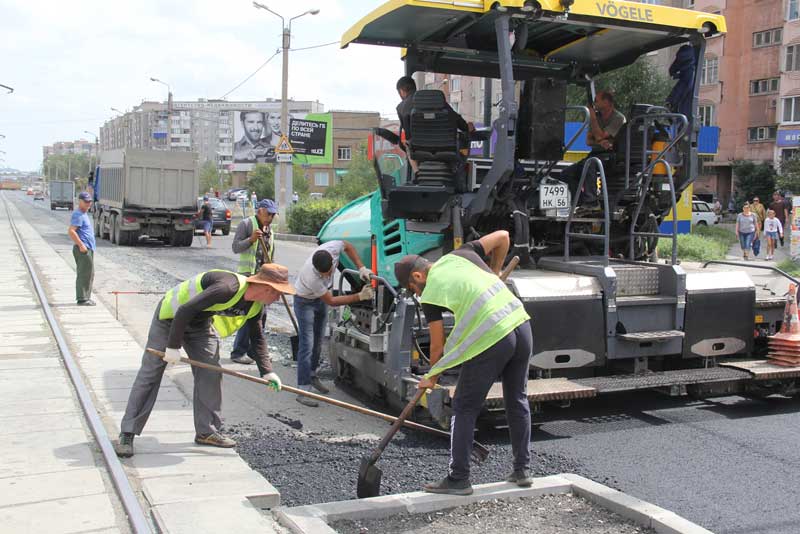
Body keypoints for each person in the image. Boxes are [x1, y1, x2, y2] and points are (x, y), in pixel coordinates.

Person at [393, 230, 532, 495]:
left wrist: (431, 377)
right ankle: (522, 469)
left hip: (493, 334)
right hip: (520, 322)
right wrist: (494, 272)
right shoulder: (463, 253)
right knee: (517, 398)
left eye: (413, 288)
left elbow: (437, 345)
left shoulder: (430, 292)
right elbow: (503, 236)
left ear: (418, 276)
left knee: (464, 406)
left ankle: (458, 478)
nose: (416, 292)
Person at [114, 264, 294, 458]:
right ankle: (127, 432)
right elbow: (184, 310)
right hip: (170, 317)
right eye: (278, 294)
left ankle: (206, 431)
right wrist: (173, 347)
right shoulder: (227, 287)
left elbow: (257, 338)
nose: (278, 299)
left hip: (199, 324)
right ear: (267, 288)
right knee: (151, 373)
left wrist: (267, 370)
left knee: (211, 372)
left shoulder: (257, 306)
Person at [293, 241, 373, 406]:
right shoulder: (311, 276)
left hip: (319, 300)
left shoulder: (333, 249)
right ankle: (302, 390)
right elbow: (332, 301)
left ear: (332, 261)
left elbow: (349, 246)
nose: (325, 275)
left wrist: (361, 268)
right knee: (307, 345)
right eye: (322, 274)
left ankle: (312, 376)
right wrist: (359, 296)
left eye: (328, 272)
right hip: (304, 302)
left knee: (318, 341)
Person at [230, 199, 279, 364]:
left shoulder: (269, 230)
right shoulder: (246, 224)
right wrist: (251, 239)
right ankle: (238, 352)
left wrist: (273, 276)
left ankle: (253, 352)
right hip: (248, 276)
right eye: (269, 214)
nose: (271, 217)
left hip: (263, 278)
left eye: (273, 214)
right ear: (260, 211)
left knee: (261, 316)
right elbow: (236, 247)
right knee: (249, 314)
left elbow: (270, 254)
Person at [561, 91, 626, 207]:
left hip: (611, 155)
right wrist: (601, 141)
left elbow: (600, 135)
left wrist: (593, 118)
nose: (594, 103)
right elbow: (589, 141)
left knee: (590, 164)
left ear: (606, 102)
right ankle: (579, 202)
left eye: (596, 100)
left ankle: (591, 201)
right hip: (595, 152)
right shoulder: (597, 117)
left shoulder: (618, 118)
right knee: (567, 173)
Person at [396, 76, 473, 164]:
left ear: (402, 91)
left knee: (407, 145)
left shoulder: (401, 108)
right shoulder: (437, 100)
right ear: (414, 87)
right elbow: (456, 119)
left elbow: (408, 136)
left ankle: (417, 173)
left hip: (419, 153)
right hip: (447, 149)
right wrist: (467, 127)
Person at [68, 192, 97, 306]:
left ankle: (86, 297)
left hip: (88, 248)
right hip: (83, 249)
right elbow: (71, 231)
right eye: (86, 202)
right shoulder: (78, 214)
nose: (88, 204)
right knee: (84, 273)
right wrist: (81, 245)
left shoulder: (84, 214)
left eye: (90, 201)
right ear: (79, 201)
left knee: (90, 273)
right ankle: (82, 299)